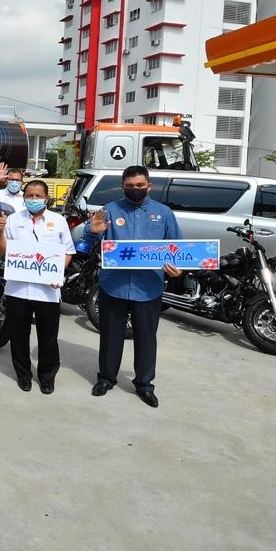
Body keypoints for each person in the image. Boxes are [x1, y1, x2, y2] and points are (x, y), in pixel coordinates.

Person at [83, 165, 183, 408]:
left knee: (147, 338)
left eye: (140, 185)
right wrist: (92, 230)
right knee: (110, 336)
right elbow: (89, 238)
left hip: (149, 287)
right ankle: (106, 378)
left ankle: (145, 384)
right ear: (122, 187)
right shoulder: (109, 210)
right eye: (130, 186)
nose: (135, 189)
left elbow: (177, 247)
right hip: (113, 285)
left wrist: (178, 267)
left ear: (149, 186)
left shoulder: (164, 213)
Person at [0, 180, 76, 394]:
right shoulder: (12, 220)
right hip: (18, 289)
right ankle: (23, 375)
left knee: (48, 337)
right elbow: (2, 251)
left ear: (46, 198)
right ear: (24, 197)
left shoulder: (58, 221)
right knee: (19, 335)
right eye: (29, 195)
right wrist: (0, 232)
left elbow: (68, 251)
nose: (33, 199)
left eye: (38, 195)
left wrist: (58, 271)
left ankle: (47, 376)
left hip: (47, 291)